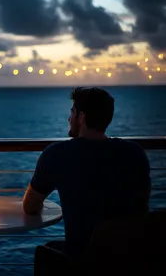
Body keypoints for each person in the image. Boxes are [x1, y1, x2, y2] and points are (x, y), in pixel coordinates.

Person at [23, 87, 151, 259]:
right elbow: (142, 207)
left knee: (47, 251)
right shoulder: (135, 153)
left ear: (81, 117)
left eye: (72, 113)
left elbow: (30, 207)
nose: (69, 119)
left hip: (84, 260)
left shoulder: (57, 155)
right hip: (131, 257)